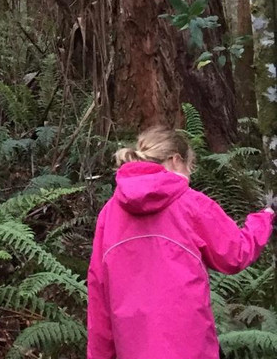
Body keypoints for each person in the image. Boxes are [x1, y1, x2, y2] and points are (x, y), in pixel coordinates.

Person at [87, 126, 273, 359]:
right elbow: (235, 253)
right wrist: (264, 219)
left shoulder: (108, 215)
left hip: (132, 348)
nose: (190, 174)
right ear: (176, 160)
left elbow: (98, 292)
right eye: (189, 166)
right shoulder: (191, 204)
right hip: (190, 345)